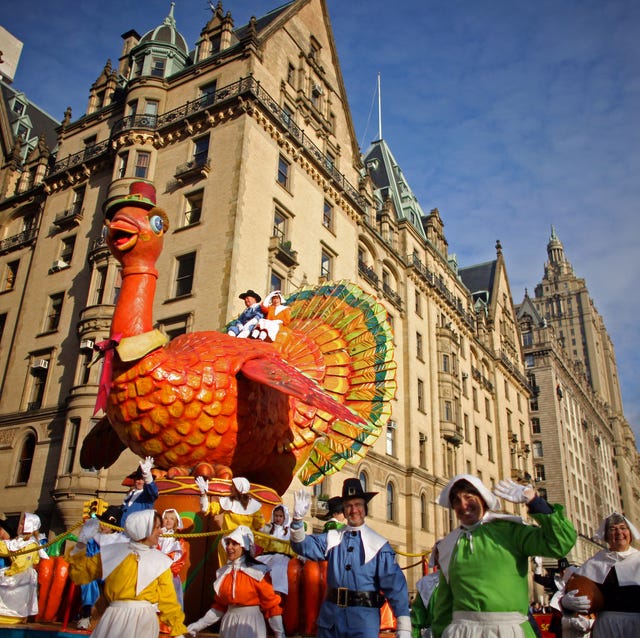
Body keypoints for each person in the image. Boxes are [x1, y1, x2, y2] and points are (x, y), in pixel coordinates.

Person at [432, 475, 577, 638]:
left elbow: (560, 543)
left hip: (509, 631)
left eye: (468, 497)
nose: (463, 505)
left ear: (483, 499)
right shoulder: (448, 545)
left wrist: (535, 501)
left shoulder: (510, 531)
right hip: (462, 633)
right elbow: (444, 605)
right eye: (456, 501)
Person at [289, 478, 411, 638]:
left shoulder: (379, 546)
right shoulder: (332, 538)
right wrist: (297, 521)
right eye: (348, 506)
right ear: (344, 511)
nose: (354, 510)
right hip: (330, 622)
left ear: (365, 509)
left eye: (358, 505)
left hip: (363, 623)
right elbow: (302, 546)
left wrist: (404, 626)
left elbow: (395, 586)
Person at [68, 509, 187, 638]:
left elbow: (168, 600)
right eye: (157, 527)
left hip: (142, 621)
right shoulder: (112, 552)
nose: (160, 531)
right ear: (144, 530)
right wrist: (81, 544)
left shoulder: (161, 561)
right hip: (114, 618)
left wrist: (177, 629)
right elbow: (78, 574)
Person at [186, 525, 285, 638]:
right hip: (229, 624)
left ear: (244, 546)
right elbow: (219, 607)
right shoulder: (224, 574)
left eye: (234, 543)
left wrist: (279, 634)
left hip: (251, 624)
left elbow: (271, 606)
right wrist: (198, 625)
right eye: (228, 543)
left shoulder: (258, 573)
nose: (229, 547)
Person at [560, 512, 640, 636]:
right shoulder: (595, 562)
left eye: (623, 528)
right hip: (606, 627)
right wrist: (566, 603)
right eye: (612, 529)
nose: (619, 533)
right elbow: (574, 591)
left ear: (630, 533)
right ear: (606, 536)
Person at [76, 505, 128, 630]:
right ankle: (86, 615)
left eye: (108, 524)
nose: (103, 525)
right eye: (103, 522)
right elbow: (88, 554)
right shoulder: (94, 539)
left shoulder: (121, 541)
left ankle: (117, 620)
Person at [196, 476, 265, 566]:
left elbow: (260, 525)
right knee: (225, 573)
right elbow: (206, 509)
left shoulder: (254, 507)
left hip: (244, 546)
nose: (230, 488)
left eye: (232, 486)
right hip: (227, 545)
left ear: (237, 489)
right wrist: (203, 494)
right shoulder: (228, 502)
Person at [0, 512, 49, 625]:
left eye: (22, 524)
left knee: (13, 596)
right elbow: (5, 547)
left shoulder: (31, 544)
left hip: (21, 575)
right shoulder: (18, 541)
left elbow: (22, 564)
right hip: (14, 572)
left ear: (29, 525)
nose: (19, 526)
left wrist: (7, 573)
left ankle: (11, 617)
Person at [257, 505, 292, 601]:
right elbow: (259, 534)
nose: (278, 518)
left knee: (278, 567)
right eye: (276, 516)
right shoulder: (269, 528)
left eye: (280, 516)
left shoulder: (289, 531)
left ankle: (277, 594)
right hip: (267, 555)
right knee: (254, 564)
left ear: (285, 517)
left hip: (282, 556)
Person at [158, 508, 187, 607]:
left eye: (171, 519)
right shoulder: (158, 535)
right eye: (165, 518)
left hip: (170, 573)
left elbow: (179, 557)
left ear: (176, 521)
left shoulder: (177, 538)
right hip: (156, 573)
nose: (168, 521)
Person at [120, 456, 158, 527]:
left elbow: (154, 492)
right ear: (134, 480)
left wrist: (147, 476)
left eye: (142, 479)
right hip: (124, 533)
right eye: (138, 479)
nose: (140, 482)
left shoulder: (147, 495)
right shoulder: (130, 495)